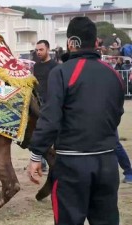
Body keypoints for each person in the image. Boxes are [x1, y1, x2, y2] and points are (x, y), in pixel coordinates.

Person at [28, 17, 123, 225]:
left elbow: (50, 118)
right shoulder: (114, 74)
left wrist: (36, 155)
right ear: (96, 42)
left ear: (72, 42)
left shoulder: (61, 72)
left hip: (72, 163)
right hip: (107, 162)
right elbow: (116, 114)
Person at [33, 40, 58, 172]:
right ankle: (41, 162)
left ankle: (54, 162)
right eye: (37, 50)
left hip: (52, 104)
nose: (38, 52)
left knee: (52, 135)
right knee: (39, 132)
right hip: (38, 104)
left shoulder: (55, 66)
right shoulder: (36, 66)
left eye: (41, 49)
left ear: (48, 49)